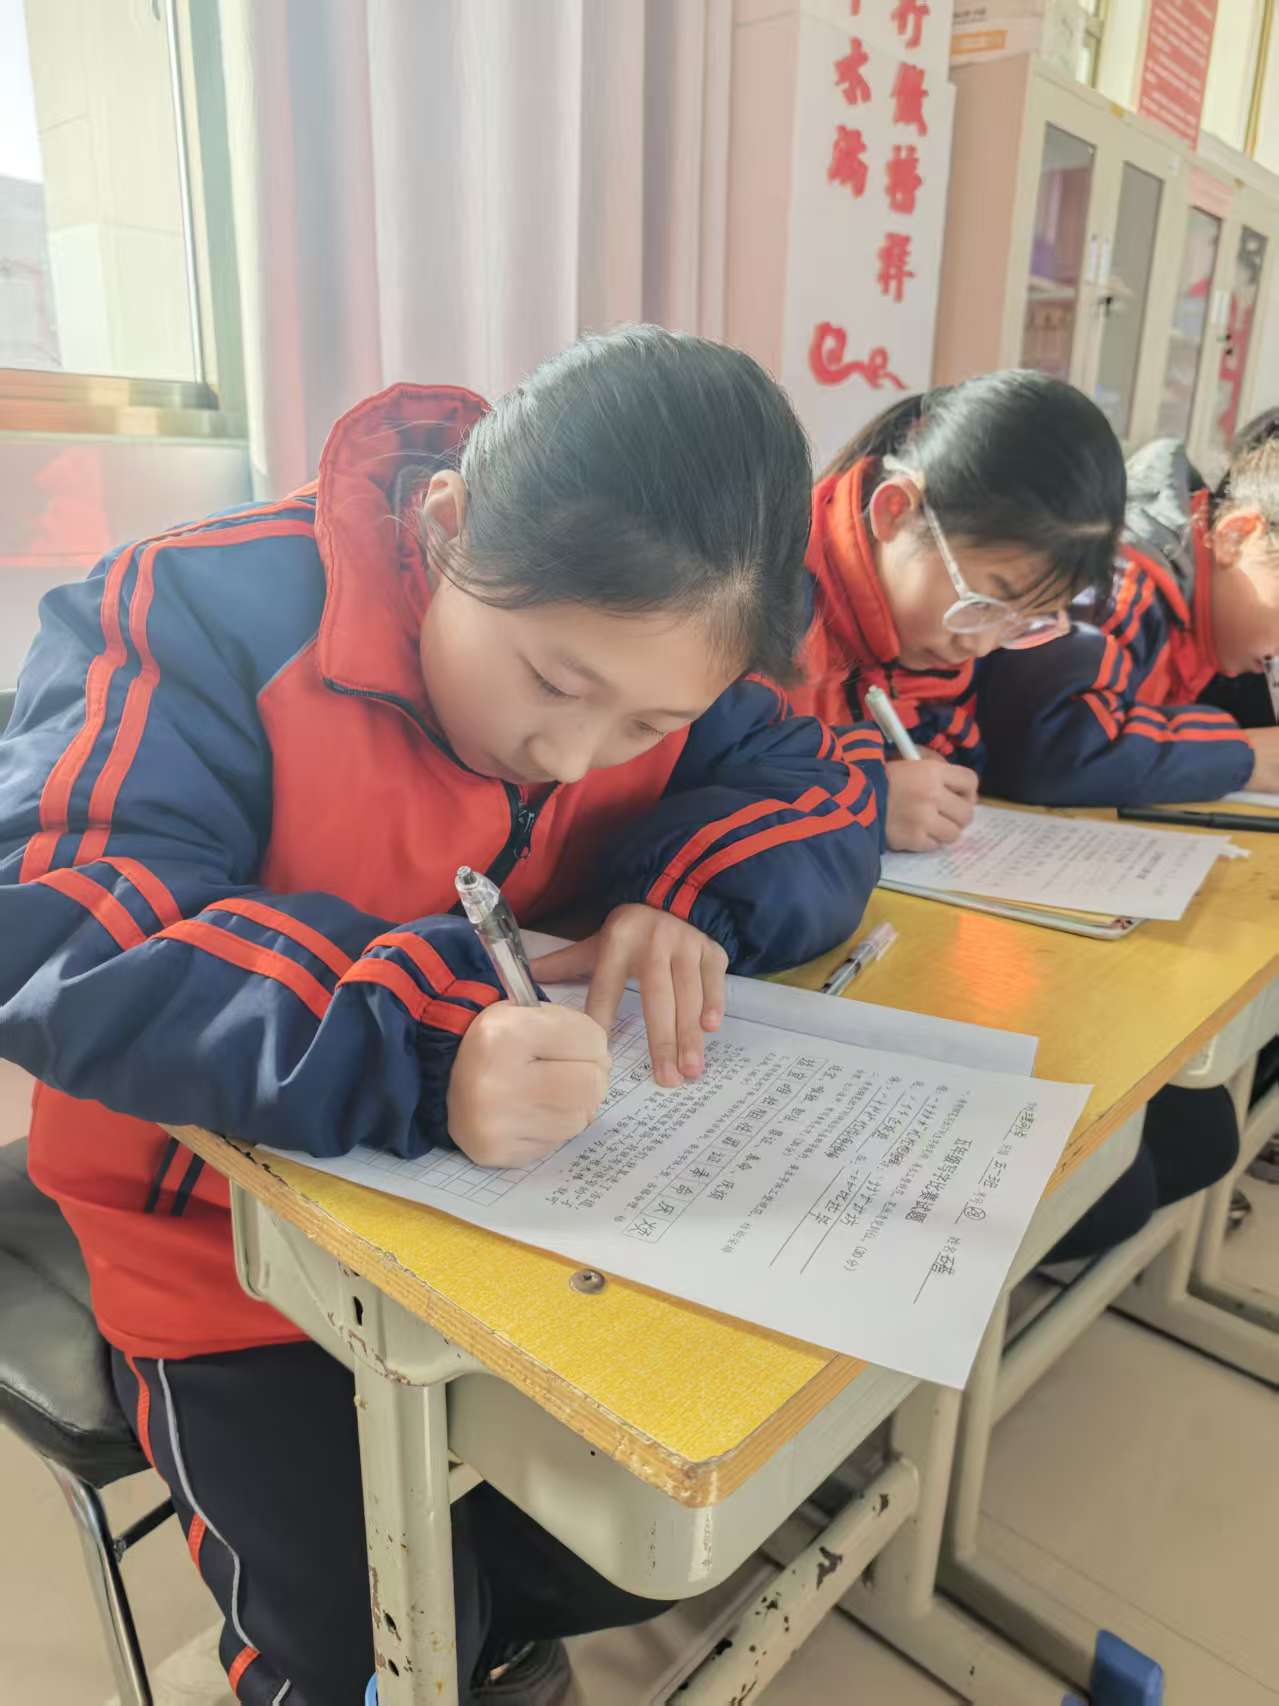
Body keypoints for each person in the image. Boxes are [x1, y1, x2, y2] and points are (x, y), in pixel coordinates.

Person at [0, 327, 887, 1706]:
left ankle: (479, 1619)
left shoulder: (671, 640)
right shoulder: (195, 605)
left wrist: (682, 899)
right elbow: (62, 914)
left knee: (673, 1515)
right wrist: (418, 1038)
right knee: (361, 1647)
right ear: (447, 522)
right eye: (554, 682)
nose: (571, 755)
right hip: (219, 1241)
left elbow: (824, 779)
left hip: (527, 1227)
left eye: (648, 726)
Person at [792, 371, 1126, 850]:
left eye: (1023, 621)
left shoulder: (921, 640)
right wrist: (865, 801)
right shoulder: (766, 612)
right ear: (894, 512)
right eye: (983, 603)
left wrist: (912, 767)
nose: (981, 644)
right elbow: (703, 797)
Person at [980, 416, 1279, 804]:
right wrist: (1246, 755)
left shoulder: (1213, 622)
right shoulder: (1119, 584)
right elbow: (1052, 749)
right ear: (1235, 538)